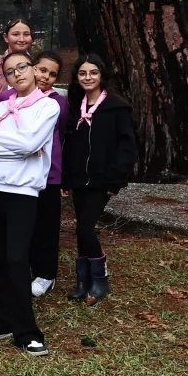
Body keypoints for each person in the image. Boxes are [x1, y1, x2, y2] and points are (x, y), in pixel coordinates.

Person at [0, 51, 62, 355]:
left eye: (22, 67)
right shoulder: (0, 108)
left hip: (22, 192)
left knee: (16, 259)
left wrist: (8, 145)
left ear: (34, 69)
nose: (17, 74)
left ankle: (27, 331)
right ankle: (0, 321)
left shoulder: (47, 106)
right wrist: (19, 148)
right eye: (10, 71)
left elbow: (31, 143)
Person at [62, 55, 136, 304]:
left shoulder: (117, 107)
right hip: (79, 180)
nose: (88, 77)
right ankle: (83, 281)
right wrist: (66, 179)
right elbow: (69, 145)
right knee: (81, 230)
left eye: (93, 72)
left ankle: (100, 279)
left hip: (102, 180)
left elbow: (127, 146)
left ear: (102, 75)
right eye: (83, 73)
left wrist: (115, 180)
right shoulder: (76, 107)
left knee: (85, 228)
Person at [25, 51, 68, 298]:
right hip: (20, 175)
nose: (45, 77)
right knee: (24, 225)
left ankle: (46, 274)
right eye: (42, 70)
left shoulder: (59, 103)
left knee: (47, 225)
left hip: (49, 175)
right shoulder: (13, 96)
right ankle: (25, 268)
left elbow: (61, 132)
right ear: (32, 68)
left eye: (52, 74)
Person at [0, 17, 35, 100]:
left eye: (26, 34)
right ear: (6, 37)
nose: (21, 39)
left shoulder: (36, 64)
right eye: (15, 34)